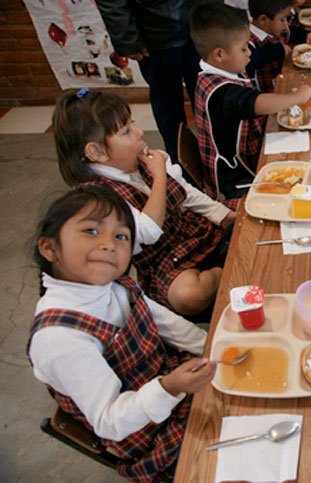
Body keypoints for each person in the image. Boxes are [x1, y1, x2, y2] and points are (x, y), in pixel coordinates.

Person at [27, 186, 216, 481]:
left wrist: (210, 346)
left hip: (171, 382)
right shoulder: (58, 338)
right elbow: (109, 421)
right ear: (50, 248)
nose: (109, 244)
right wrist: (169, 388)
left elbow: (162, 320)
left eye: (121, 236)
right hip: (151, 435)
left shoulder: (115, 286)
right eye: (91, 231)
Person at [52, 88, 236, 315]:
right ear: (97, 151)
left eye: (133, 124)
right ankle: (227, 270)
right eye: (126, 131)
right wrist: (159, 177)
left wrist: (223, 215)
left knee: (256, 214)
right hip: (167, 263)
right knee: (189, 296)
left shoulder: (144, 159)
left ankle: (231, 260)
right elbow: (148, 231)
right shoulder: (98, 199)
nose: (139, 133)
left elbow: (186, 194)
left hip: (195, 231)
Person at [190, 2, 311, 200]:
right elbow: (256, 102)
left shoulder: (224, 70)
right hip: (236, 182)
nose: (249, 53)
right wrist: (298, 97)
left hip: (250, 155)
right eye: (243, 49)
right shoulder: (220, 92)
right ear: (219, 54)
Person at [96, 0, 204, 163]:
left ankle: (217, 160)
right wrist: (128, 41)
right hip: (154, 35)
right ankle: (182, 167)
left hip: (199, 24)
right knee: (169, 112)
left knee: (208, 101)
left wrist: (215, 17)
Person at [246, 0, 296, 93]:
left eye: (287, 18)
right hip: (265, 97)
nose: (285, 24)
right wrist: (278, 50)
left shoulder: (274, 28)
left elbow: (291, 32)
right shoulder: (247, 41)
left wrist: (306, 35)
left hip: (283, 83)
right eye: (282, 19)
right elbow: (250, 62)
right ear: (263, 20)